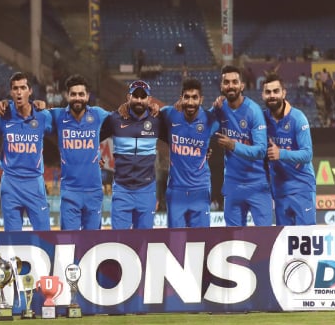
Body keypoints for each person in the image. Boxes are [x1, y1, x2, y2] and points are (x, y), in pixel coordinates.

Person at [0, 71, 53, 231]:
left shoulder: (43, 116)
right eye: (15, 88)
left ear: (30, 91)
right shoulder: (3, 115)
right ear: (11, 92)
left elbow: (66, 132)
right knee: (12, 240)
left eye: (23, 87)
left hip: (34, 183)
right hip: (10, 183)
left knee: (45, 236)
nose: (18, 92)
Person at [100, 80, 164, 230]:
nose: (139, 100)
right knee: (120, 242)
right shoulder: (115, 119)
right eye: (135, 96)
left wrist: (204, 149)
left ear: (149, 99)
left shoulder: (157, 120)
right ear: (128, 97)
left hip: (147, 190)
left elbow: (176, 139)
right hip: (122, 190)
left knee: (144, 242)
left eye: (143, 97)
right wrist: (95, 155)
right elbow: (91, 136)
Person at [48, 74, 109, 230]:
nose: (77, 98)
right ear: (67, 96)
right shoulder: (58, 115)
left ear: (87, 96)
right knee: (69, 243)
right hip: (70, 192)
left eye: (81, 94)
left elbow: (121, 120)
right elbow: (32, 114)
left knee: (92, 244)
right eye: (73, 94)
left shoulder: (98, 114)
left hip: (94, 191)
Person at [213, 65, 271, 226]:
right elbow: (201, 127)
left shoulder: (254, 111)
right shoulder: (219, 108)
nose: (230, 85)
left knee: (266, 238)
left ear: (242, 86)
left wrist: (233, 145)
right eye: (226, 82)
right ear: (221, 86)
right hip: (232, 184)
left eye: (234, 82)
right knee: (233, 239)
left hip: (257, 184)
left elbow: (261, 150)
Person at [160, 78, 219, 228]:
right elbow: (149, 117)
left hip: (200, 189)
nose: (191, 102)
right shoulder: (169, 114)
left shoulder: (210, 119)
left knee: (200, 242)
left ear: (201, 99)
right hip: (176, 191)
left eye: (195, 97)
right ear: (181, 98)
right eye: (187, 97)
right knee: (175, 242)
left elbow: (231, 116)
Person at [261, 72, 316, 226]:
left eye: (276, 91)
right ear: (263, 95)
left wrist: (281, 153)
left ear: (284, 93)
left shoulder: (298, 118)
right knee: (285, 244)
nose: (272, 95)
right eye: (268, 92)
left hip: (302, 187)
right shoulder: (262, 119)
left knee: (306, 242)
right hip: (279, 190)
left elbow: (307, 154)